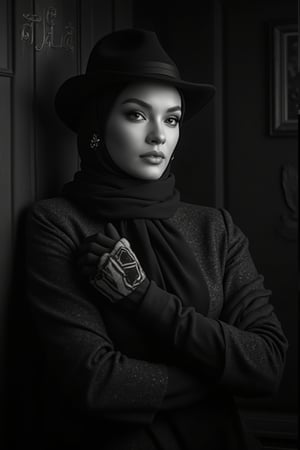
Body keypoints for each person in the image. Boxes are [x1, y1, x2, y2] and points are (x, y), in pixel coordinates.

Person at [26, 28, 288, 450]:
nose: (158, 136)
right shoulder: (59, 223)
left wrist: (142, 298)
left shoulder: (214, 227)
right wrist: (218, 372)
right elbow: (98, 384)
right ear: (96, 124)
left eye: (171, 118)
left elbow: (267, 363)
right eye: (135, 114)